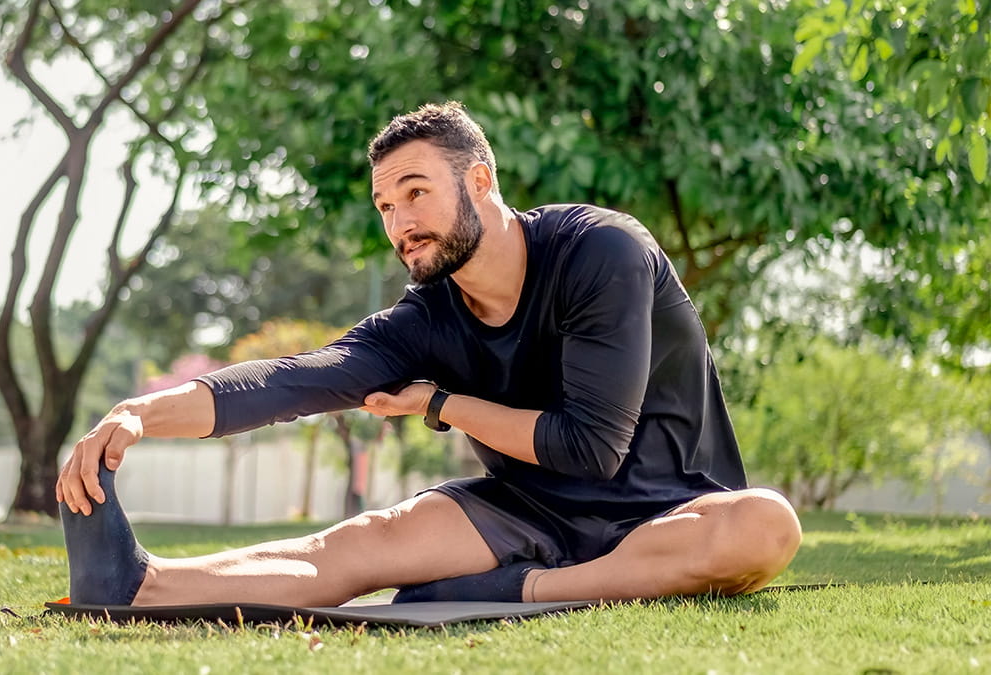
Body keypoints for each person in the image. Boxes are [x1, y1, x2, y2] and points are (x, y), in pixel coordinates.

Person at [56, 101, 802, 608]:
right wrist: (139, 413)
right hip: (527, 510)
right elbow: (296, 378)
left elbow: (591, 446)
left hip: (668, 514)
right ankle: (142, 586)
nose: (400, 222)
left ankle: (524, 591)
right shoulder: (426, 317)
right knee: (358, 544)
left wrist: (441, 403)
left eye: (415, 193)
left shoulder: (599, 252)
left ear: (480, 181)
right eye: (386, 207)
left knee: (767, 525)